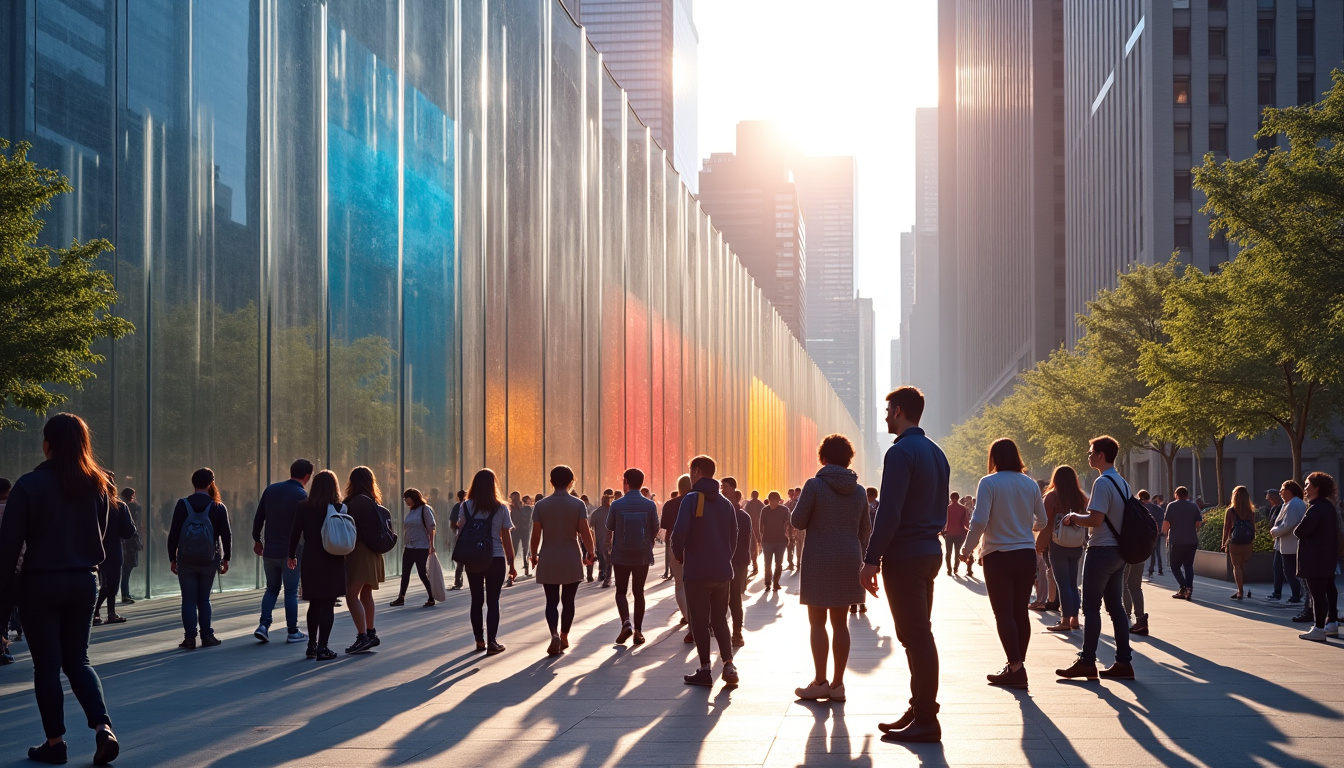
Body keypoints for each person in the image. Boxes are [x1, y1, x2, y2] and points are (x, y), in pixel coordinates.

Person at [0, 414, 120, 765]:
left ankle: (55, 743)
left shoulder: (28, 485)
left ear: (47, 444)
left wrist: (3, 611)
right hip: (84, 580)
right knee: (79, 661)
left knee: (47, 667)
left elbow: (7, 553)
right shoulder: (98, 485)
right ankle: (103, 729)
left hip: (40, 583)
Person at [861, 387, 949, 743]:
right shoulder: (936, 452)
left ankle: (926, 717)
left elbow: (890, 511)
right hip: (929, 551)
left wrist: (870, 559)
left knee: (917, 636)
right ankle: (919, 707)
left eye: (887, 411)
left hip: (906, 555)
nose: (885, 416)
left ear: (898, 412)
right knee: (916, 633)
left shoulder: (900, 453)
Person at [959, 439, 1047, 690]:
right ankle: (1017, 664)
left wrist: (966, 549)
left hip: (998, 555)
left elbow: (979, 520)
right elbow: (1042, 521)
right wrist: (1022, 526)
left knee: (1003, 613)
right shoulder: (1029, 483)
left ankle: (1016, 667)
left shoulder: (989, 482)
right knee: (1020, 611)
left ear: (994, 457)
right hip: (1026, 553)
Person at [791, 434, 872, 702]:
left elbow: (798, 521)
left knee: (817, 622)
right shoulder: (859, 491)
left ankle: (820, 681)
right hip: (849, 557)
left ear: (823, 458)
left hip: (818, 558)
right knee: (841, 623)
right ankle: (838, 685)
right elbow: (865, 531)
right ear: (848, 459)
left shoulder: (814, 486)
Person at [1056, 436, 1135, 681]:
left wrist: (1072, 517)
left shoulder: (1102, 483)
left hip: (1101, 550)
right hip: (1119, 552)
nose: (1088, 455)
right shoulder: (1122, 483)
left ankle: (1087, 661)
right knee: (1115, 607)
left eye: (1091, 452)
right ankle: (1124, 662)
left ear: (1101, 455)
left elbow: (1095, 520)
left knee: (1091, 607)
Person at [671, 455, 740, 687]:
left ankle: (704, 669)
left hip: (697, 571)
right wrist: (724, 558)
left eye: (691, 471)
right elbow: (734, 535)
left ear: (698, 471)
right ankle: (729, 665)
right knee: (720, 619)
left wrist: (680, 555)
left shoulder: (691, 499)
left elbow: (678, 533)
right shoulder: (725, 502)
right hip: (722, 571)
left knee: (700, 621)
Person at [168, 468, 232, 650]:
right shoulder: (217, 506)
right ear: (211, 483)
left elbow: (173, 533)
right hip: (209, 560)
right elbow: (226, 535)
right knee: (204, 599)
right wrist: (226, 558)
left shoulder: (182, 504)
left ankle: (189, 639)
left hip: (186, 560)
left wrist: (172, 558)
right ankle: (207, 636)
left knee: (188, 600)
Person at [531, 466, 591, 655]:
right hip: (571, 556)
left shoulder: (541, 505)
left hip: (548, 555)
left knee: (551, 601)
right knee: (568, 600)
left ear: (551, 481)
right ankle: (564, 635)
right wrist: (590, 552)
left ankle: (554, 634)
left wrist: (533, 555)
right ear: (571, 481)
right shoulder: (578, 504)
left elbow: (535, 535)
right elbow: (584, 532)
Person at [286, 470, 346, 661]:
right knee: (327, 604)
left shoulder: (304, 506)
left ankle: (311, 645)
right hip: (332, 557)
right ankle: (323, 647)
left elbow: (295, 533)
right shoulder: (338, 506)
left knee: (314, 603)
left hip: (311, 557)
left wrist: (291, 555)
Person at [251, 459, 312, 644]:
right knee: (291, 591)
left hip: (270, 551)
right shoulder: (302, 495)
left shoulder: (271, 490)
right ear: (307, 476)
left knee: (271, 589)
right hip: (290, 554)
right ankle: (293, 631)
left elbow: (259, 518)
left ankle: (263, 625)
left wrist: (257, 540)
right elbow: (306, 528)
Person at [459, 469, 516, 654]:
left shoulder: (466, 506)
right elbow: (506, 538)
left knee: (476, 600)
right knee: (493, 601)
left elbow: (461, 533)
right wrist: (512, 563)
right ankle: (492, 642)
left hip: (473, 558)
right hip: (495, 557)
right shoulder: (501, 507)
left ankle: (479, 641)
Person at [607, 468, 660, 645]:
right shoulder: (649, 505)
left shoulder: (616, 504)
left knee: (621, 591)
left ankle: (625, 623)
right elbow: (655, 528)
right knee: (639, 592)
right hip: (641, 556)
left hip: (620, 555)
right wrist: (648, 543)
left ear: (626, 482)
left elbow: (610, 526)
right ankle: (638, 631)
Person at [342, 466, 391, 654]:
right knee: (366, 593)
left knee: (351, 594)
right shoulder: (372, 501)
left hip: (360, 552)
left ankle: (362, 636)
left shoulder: (356, 502)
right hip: (374, 552)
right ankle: (370, 632)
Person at [1294, 472, 1340, 642]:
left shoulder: (1316, 508)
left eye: (1307, 485)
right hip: (1326, 557)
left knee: (1317, 594)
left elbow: (1300, 531)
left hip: (1315, 558)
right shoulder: (1328, 507)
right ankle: (1330, 622)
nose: (1304, 488)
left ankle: (1319, 628)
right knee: (1327, 590)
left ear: (1317, 488)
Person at [1044, 465, 1088, 634]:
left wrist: (1041, 544)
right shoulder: (1081, 497)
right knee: (1072, 583)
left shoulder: (1051, 497)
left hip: (1058, 545)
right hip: (1077, 544)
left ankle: (1064, 620)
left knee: (1063, 584)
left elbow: (1047, 524)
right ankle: (1075, 619)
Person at [92, 492, 135, 626]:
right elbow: (129, 530)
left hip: (96, 550)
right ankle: (110, 613)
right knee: (113, 583)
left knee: (102, 584)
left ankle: (96, 613)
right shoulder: (120, 506)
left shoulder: (93, 503)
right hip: (114, 549)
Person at [391, 488, 437, 607]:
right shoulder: (412, 511)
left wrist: (432, 545)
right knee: (405, 573)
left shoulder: (425, 509)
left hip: (422, 546)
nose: (405, 500)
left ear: (412, 497)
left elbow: (431, 527)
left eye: (406, 497)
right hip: (409, 546)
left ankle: (431, 597)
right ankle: (401, 597)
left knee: (422, 573)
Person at [1164, 487, 1203, 600]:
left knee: (1175, 566)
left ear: (1176, 495)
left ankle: (1184, 586)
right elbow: (1198, 522)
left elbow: (1166, 523)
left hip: (1177, 541)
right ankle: (1189, 588)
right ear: (1187, 495)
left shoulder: (1172, 506)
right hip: (1191, 540)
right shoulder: (1194, 506)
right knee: (1188, 565)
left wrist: (1166, 535)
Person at [1270, 482, 1306, 605]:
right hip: (1283, 544)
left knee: (1289, 571)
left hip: (1290, 544)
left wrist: (1274, 531)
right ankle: (1278, 592)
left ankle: (1297, 594)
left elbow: (1288, 525)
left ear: (1290, 491)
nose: (1280, 492)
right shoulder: (1289, 504)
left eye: (1282, 489)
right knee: (1278, 568)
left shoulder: (1294, 504)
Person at [662, 478, 691, 627]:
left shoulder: (670, 504)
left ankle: (686, 616)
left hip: (674, 543)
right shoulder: (697, 502)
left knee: (679, 584)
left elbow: (666, 527)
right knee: (694, 583)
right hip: (694, 544)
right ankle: (694, 615)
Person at [726, 485, 752, 646]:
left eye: (727, 493)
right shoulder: (721, 513)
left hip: (736, 563)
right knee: (721, 600)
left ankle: (737, 633)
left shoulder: (742, 516)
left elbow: (745, 541)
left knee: (735, 599)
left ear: (736, 496)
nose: (724, 495)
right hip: (723, 562)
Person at [1222, 486, 1257, 600]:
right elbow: (1253, 527)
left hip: (1235, 542)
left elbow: (1226, 528)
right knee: (1242, 566)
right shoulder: (1250, 511)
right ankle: (1240, 588)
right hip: (1247, 542)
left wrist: (1223, 543)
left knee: (1236, 566)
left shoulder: (1231, 511)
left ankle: (1240, 591)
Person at [1264, 488, 1292, 600]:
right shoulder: (1273, 508)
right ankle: (1277, 592)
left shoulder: (1282, 507)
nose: (1269, 500)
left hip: (1283, 541)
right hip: (1278, 540)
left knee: (1283, 568)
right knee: (1277, 567)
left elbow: (1282, 524)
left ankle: (1294, 592)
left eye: (1270, 498)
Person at [760, 491, 790, 592]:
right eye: (771, 501)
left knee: (779, 563)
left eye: (775, 501)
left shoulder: (784, 510)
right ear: (768, 501)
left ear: (779, 501)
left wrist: (789, 535)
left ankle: (776, 582)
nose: (773, 503)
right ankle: (768, 582)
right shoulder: (764, 510)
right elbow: (761, 525)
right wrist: (761, 539)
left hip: (780, 541)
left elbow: (790, 524)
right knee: (767, 563)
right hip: (767, 541)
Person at [117, 488, 142, 604]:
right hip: (130, 541)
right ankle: (125, 593)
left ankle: (124, 592)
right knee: (127, 569)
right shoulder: (134, 507)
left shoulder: (118, 506)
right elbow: (136, 524)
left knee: (125, 569)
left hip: (122, 541)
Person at [942, 492, 970, 577]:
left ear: (950, 498)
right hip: (960, 534)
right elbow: (966, 522)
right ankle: (955, 568)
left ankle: (949, 569)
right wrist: (970, 530)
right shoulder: (963, 508)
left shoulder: (947, 508)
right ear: (958, 498)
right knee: (957, 552)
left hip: (949, 533)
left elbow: (943, 521)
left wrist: (942, 531)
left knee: (948, 552)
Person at [589, 491, 613, 588]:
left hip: (600, 538)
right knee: (608, 558)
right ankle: (606, 576)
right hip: (609, 538)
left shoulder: (596, 512)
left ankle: (602, 573)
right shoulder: (612, 511)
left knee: (602, 557)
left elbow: (591, 525)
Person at [510, 494, 533, 581]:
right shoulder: (517, 508)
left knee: (522, 550)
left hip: (519, 531)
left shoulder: (520, 508)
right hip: (521, 531)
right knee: (522, 550)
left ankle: (516, 570)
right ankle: (521, 570)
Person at [448, 489, 467, 590]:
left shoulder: (457, 507)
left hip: (460, 536)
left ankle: (458, 581)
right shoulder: (470, 506)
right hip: (468, 536)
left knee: (460, 561)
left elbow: (452, 523)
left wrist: (458, 532)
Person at [1145, 490, 1166, 577]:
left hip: (1151, 532)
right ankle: (1159, 569)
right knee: (1157, 552)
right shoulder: (1159, 508)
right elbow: (1162, 520)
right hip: (1158, 532)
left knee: (1153, 552)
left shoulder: (1148, 508)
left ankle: (1151, 569)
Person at [744, 490, 765, 577]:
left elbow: (746, 514)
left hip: (751, 526)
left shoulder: (749, 504)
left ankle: (754, 563)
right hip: (759, 527)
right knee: (757, 546)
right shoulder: (761, 504)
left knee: (752, 545)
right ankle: (755, 563)